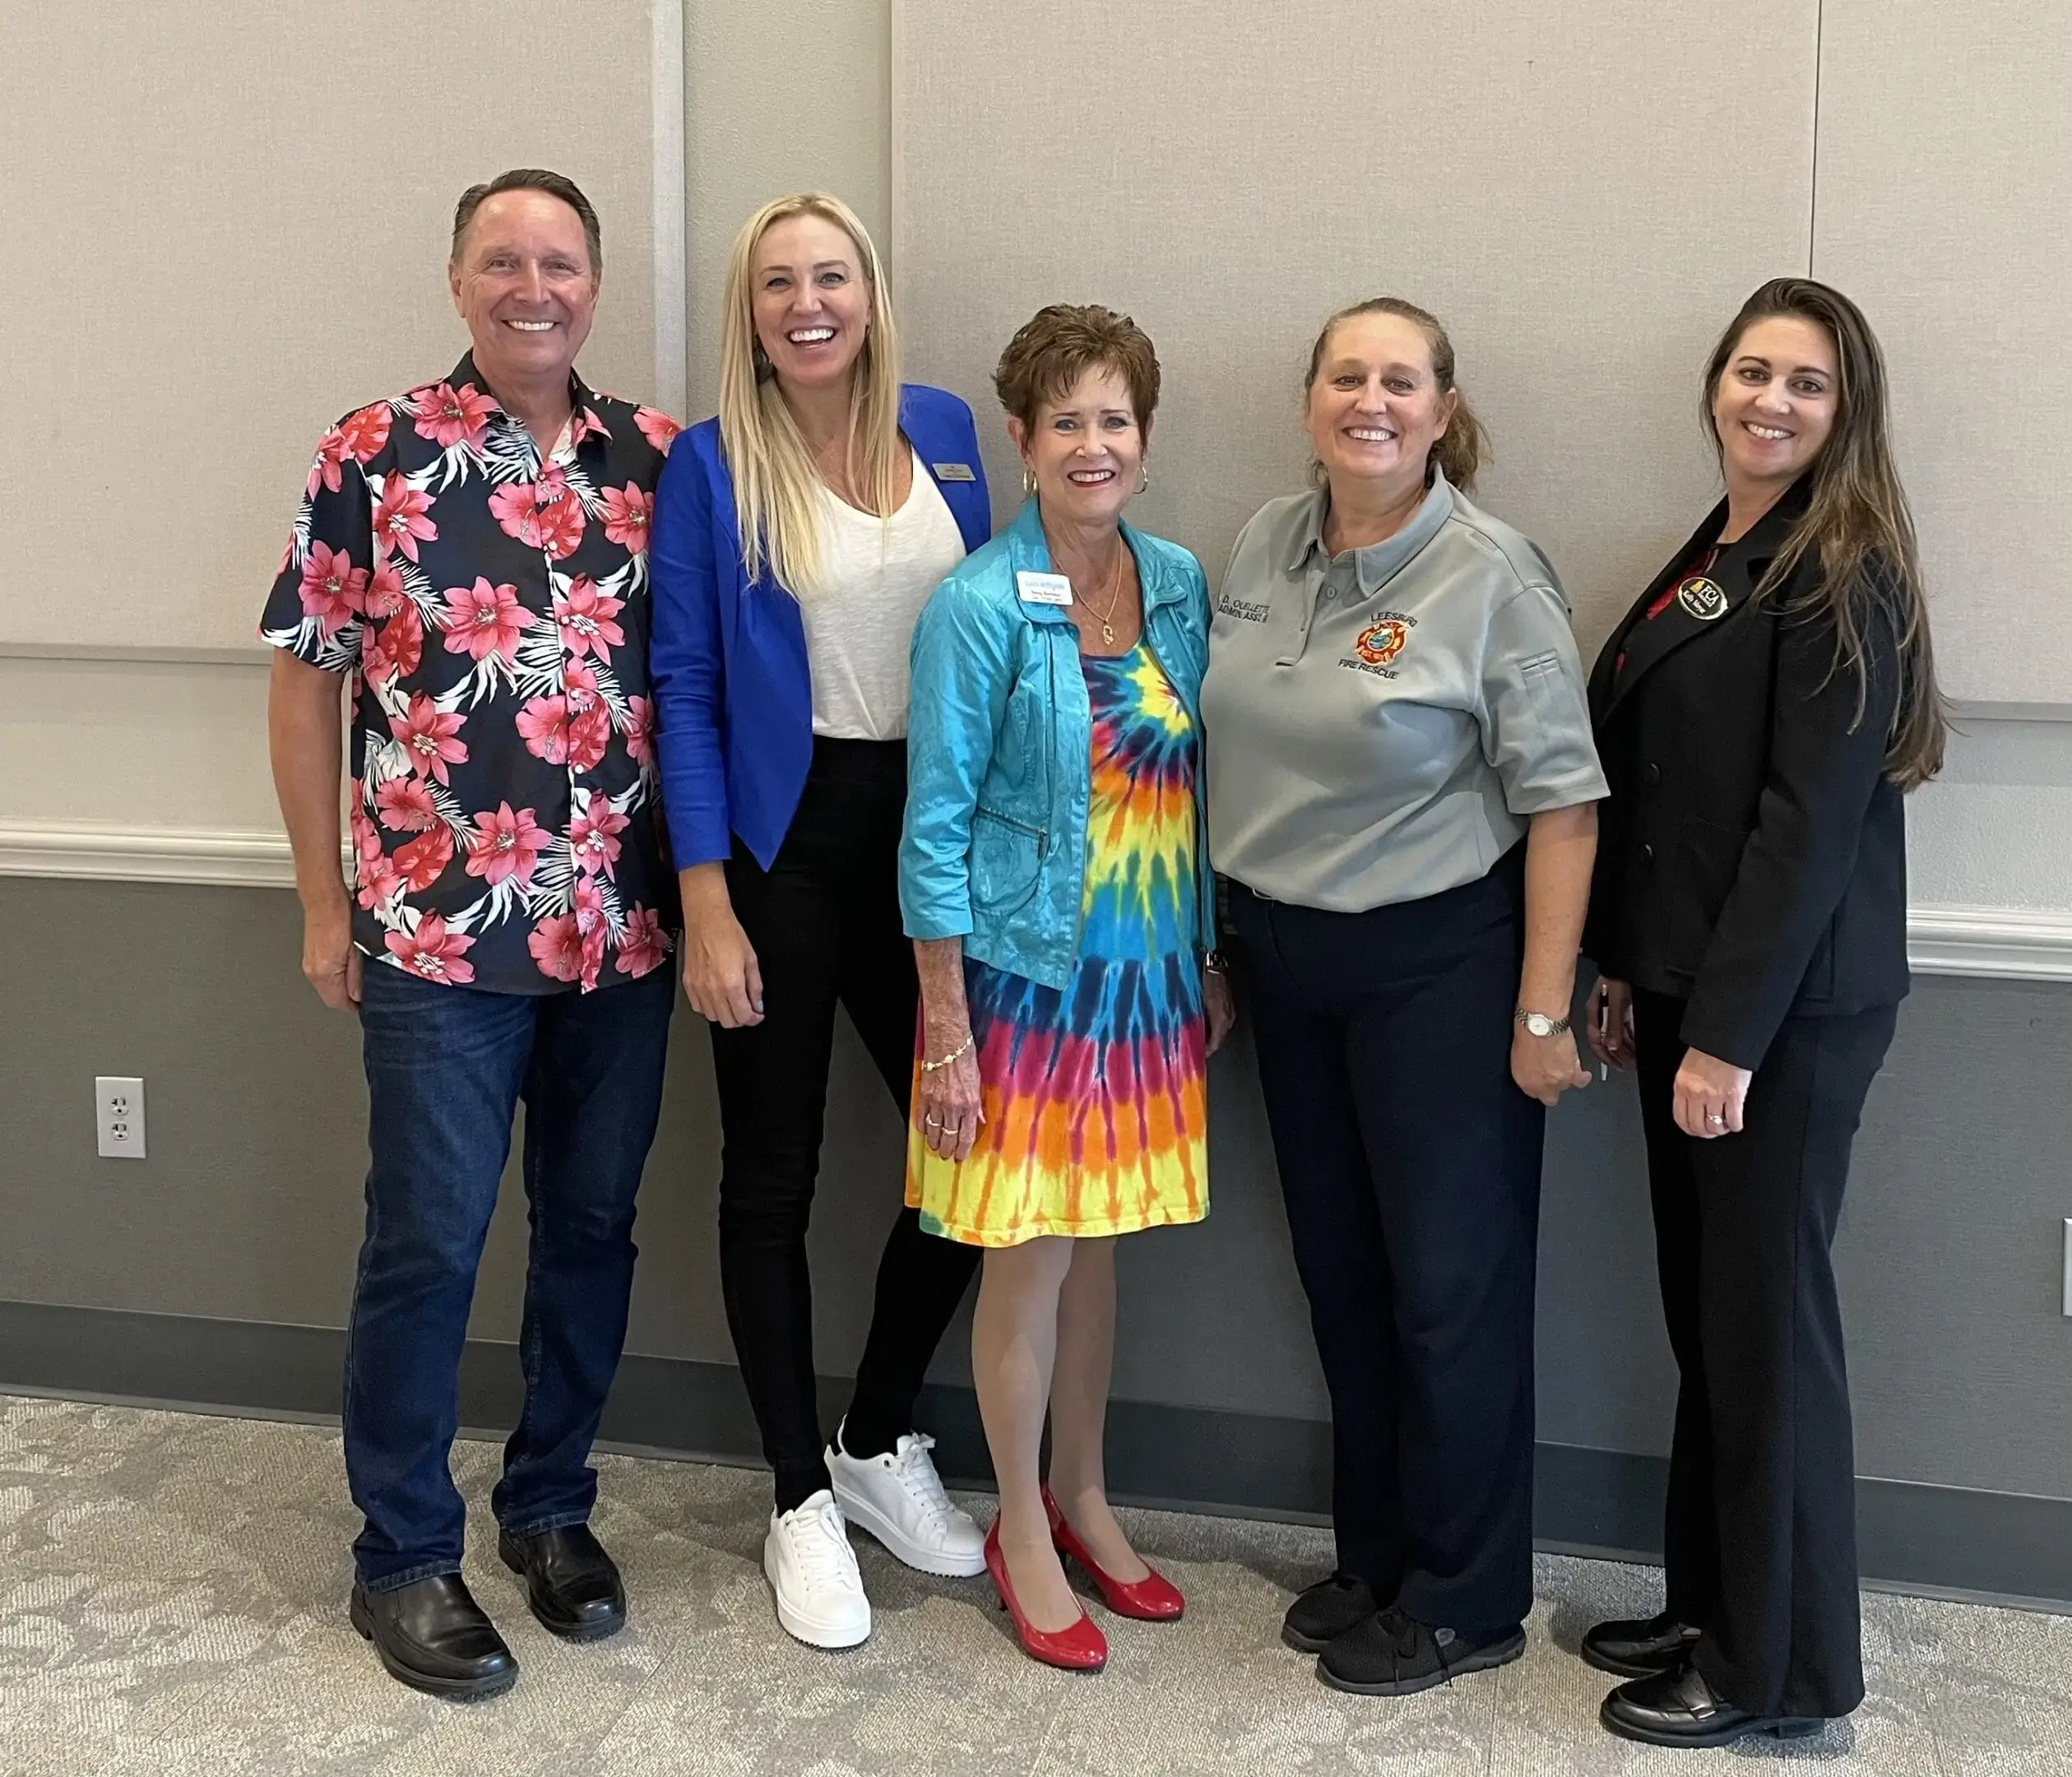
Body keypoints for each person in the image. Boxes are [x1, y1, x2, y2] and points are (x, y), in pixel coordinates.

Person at [262, 169, 681, 1700]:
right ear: (457, 282)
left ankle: (550, 1509)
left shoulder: (655, 459)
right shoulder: (369, 453)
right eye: (501, 260)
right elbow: (308, 677)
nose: (533, 286)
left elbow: (694, 685)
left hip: (619, 937)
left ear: (593, 284)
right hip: (433, 940)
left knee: (590, 1232)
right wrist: (322, 902)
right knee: (428, 1243)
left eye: (560, 262)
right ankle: (403, 1554)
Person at [1200, 299, 1606, 1696]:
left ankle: (1468, 1593)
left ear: (1441, 411)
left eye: (1398, 382)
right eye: (1344, 376)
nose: (1367, 401)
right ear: (1308, 398)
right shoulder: (1263, 544)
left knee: (1453, 1290)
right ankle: (1376, 1557)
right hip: (1285, 961)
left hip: (1441, 964)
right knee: (1346, 1281)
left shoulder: (1491, 572)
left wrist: (1542, 1015)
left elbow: (1563, 803)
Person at [1580, 278, 1947, 1749]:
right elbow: (1670, 788)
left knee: (1765, 1334)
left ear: (1843, 410)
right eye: (1751, 373)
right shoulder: (1720, 547)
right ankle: (1710, 1601)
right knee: (1713, 1321)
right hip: (1688, 990)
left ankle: (1777, 1671)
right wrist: (1622, 964)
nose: (1770, 403)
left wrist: (1724, 1036)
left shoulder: (1841, 566)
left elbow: (1803, 828)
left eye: (1805, 383)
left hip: (1780, 1017)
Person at [646, 193, 994, 1650]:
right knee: (770, 1176)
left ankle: (872, 1435)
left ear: (870, 292)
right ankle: (796, 1499)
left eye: (830, 276)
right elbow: (685, 684)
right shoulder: (713, 466)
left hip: (932, 840)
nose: (807, 303)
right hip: (782, 851)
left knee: (969, 1157)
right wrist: (708, 903)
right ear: (751, 308)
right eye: (777, 282)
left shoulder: (949, 429)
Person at [901, 304, 1232, 1673]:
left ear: (1142, 442)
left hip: (1148, 973)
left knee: (1102, 1249)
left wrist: (1205, 954)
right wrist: (944, 1034)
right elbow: (933, 828)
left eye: (1114, 419)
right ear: (1023, 444)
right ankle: (1018, 1527)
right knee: (1027, 1262)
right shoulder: (976, 606)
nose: (1091, 444)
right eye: (1064, 422)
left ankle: (1086, 1494)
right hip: (1028, 978)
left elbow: (1199, 789)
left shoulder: (1173, 582)